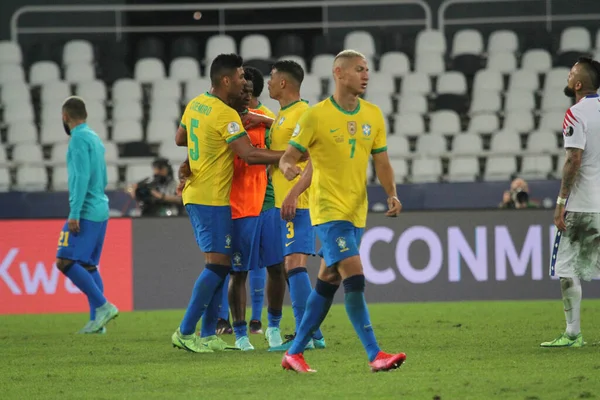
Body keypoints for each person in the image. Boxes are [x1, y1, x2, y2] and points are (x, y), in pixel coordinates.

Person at [278, 50, 406, 373]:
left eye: (367, 70)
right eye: (359, 69)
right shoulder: (315, 115)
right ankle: (375, 354)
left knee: (329, 279)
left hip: (355, 212)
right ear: (339, 72)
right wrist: (289, 168)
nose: (365, 75)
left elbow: (382, 161)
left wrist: (392, 193)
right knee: (355, 275)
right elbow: (288, 157)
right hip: (327, 211)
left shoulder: (373, 115)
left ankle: (294, 353)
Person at [171, 53, 283, 353]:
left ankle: (207, 334)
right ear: (224, 80)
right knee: (218, 267)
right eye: (238, 77)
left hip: (202, 194)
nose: (242, 82)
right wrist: (288, 156)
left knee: (218, 267)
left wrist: (197, 154)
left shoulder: (196, 104)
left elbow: (181, 137)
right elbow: (250, 155)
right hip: (211, 198)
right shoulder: (225, 115)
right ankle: (185, 331)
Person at [244, 60, 325, 351]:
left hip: (297, 201)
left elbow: (305, 155)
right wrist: (264, 121)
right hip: (284, 201)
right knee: (292, 266)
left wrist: (291, 191)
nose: (267, 83)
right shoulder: (286, 114)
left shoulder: (303, 113)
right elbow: (288, 137)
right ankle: (313, 334)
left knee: (294, 265)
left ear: (283, 83)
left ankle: (308, 335)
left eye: (272, 78)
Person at [216, 66, 283, 338]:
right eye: (242, 91)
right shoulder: (225, 119)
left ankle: (266, 324)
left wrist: (264, 122)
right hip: (232, 203)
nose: (247, 97)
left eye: (250, 92)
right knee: (232, 268)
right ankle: (227, 323)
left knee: (274, 266)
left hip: (267, 201)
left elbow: (290, 135)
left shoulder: (266, 117)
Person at [541, 57, 600, 348]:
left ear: (578, 85)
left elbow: (573, 159)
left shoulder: (575, 113)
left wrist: (561, 202)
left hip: (582, 206)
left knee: (567, 269)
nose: (568, 74)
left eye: (572, 72)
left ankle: (573, 333)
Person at [55, 96, 119, 334]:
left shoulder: (78, 139)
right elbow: (100, 176)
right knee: (89, 266)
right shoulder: (94, 137)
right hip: (100, 206)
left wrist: (75, 212)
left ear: (65, 116)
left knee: (65, 260)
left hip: (86, 210)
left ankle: (102, 307)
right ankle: (97, 323)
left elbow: (80, 177)